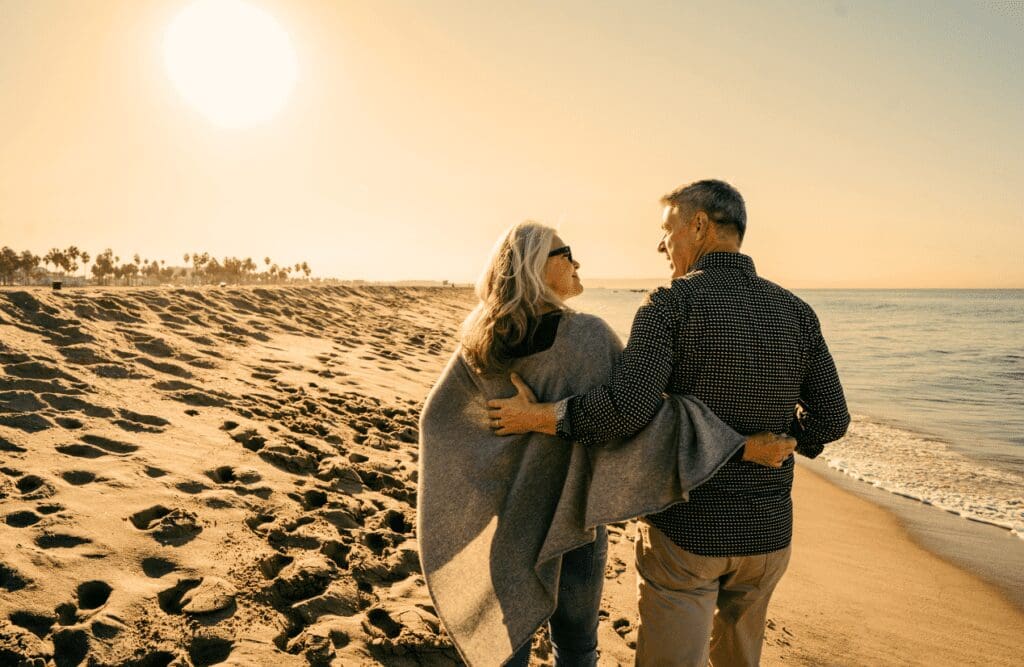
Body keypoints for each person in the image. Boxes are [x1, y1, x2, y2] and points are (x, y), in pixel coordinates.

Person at [488, 180, 850, 666]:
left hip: (687, 533)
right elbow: (833, 418)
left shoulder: (670, 304)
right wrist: (788, 440)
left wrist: (539, 416)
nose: (661, 244)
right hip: (767, 535)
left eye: (667, 229)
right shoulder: (796, 312)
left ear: (699, 226)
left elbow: (626, 409)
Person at [417, 221, 794, 666]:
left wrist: (493, 468)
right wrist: (742, 446)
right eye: (566, 253)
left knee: (507, 644)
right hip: (574, 516)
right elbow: (641, 418)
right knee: (575, 644)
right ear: (535, 266)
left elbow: (436, 422)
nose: (576, 262)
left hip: (509, 518)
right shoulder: (587, 336)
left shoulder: (481, 338)